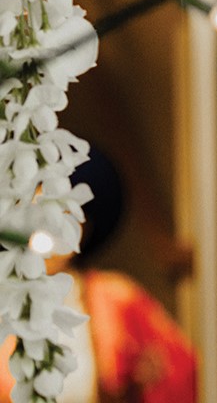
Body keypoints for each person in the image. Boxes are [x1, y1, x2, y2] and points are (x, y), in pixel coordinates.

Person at [0, 148, 197, 403]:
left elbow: (185, 376)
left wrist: (144, 383)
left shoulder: (117, 300)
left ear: (84, 228)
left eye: (64, 218)